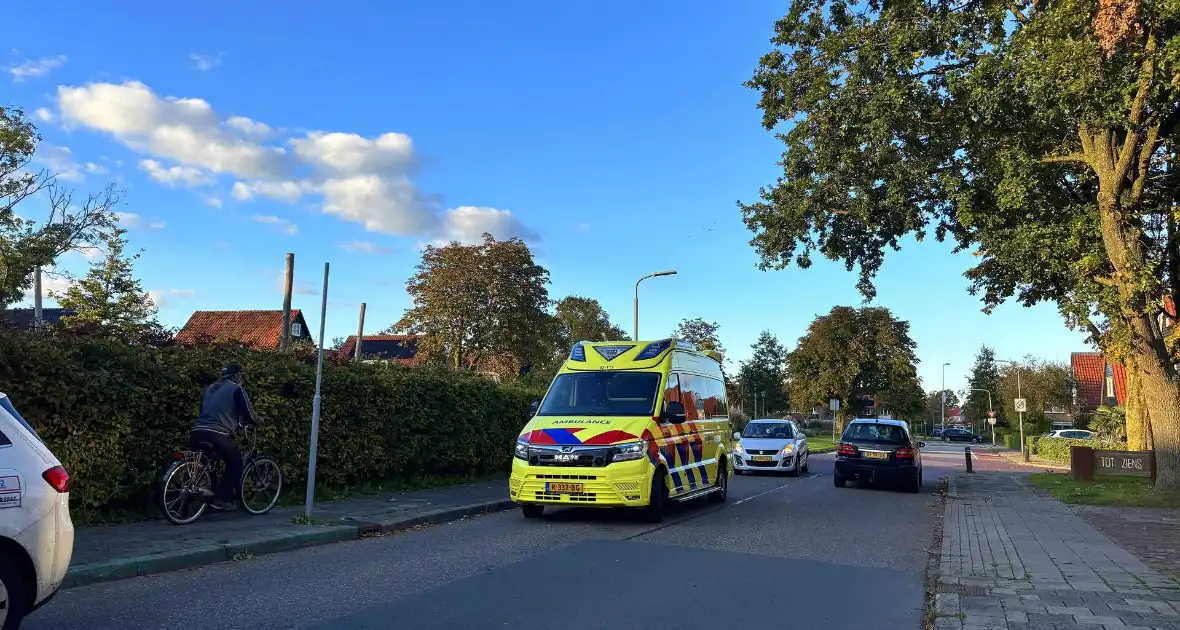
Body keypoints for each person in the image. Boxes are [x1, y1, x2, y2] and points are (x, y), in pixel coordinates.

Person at [191, 363, 261, 510]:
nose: (242, 378)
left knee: (210, 463)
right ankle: (221, 499)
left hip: (197, 431)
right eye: (241, 375)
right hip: (217, 434)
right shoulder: (236, 389)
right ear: (237, 375)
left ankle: (207, 497)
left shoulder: (209, 388)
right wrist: (257, 421)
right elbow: (248, 413)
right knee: (236, 464)